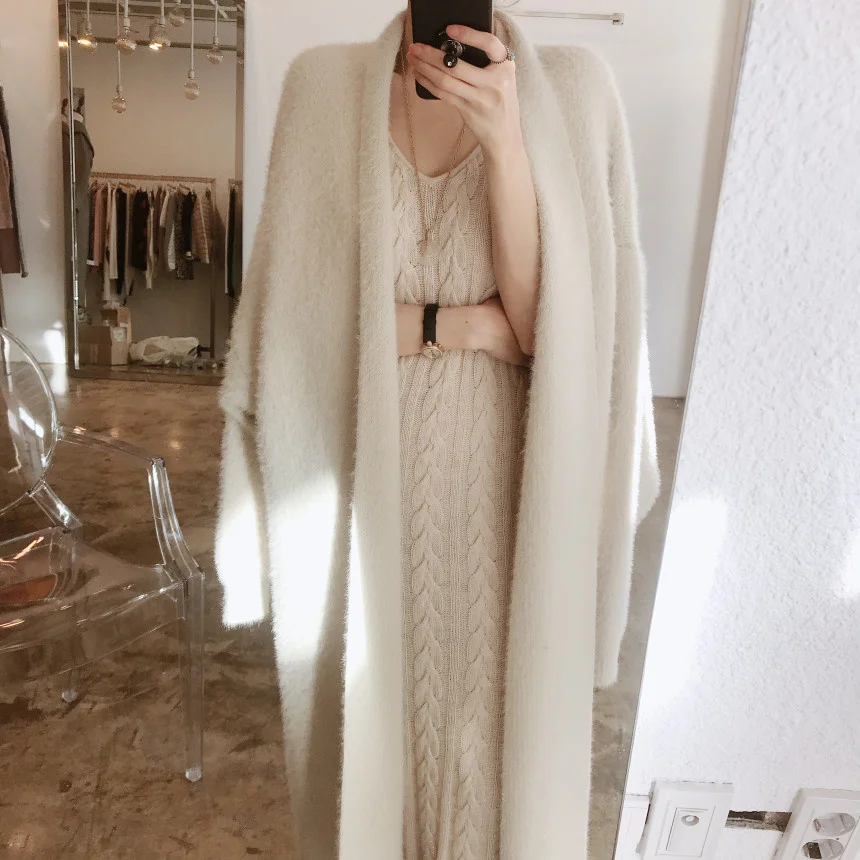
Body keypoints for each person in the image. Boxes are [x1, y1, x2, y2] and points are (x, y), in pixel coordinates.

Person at [215, 4, 660, 858]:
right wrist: (455, 326)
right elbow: (295, 331)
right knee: (374, 773)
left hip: (506, 518)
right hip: (358, 509)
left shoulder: (576, 91)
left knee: (489, 785)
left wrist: (507, 144)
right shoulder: (322, 89)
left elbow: (560, 342)